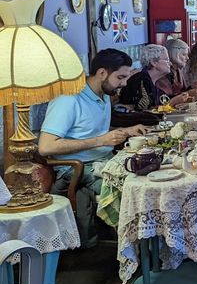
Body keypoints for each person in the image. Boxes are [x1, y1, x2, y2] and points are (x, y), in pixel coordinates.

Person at [39, 49, 148, 246]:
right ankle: (132, 249)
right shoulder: (69, 99)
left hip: (104, 160)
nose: (124, 83)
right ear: (102, 73)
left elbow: (92, 131)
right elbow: (45, 147)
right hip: (77, 168)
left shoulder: (104, 95)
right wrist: (101, 141)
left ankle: (148, 244)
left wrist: (126, 130)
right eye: (120, 77)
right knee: (134, 189)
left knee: (148, 173)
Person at [119, 45, 192, 111]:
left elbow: (162, 101)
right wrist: (172, 102)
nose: (170, 63)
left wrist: (185, 94)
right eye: (166, 60)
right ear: (154, 62)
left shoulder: (153, 80)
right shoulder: (140, 81)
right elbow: (145, 112)